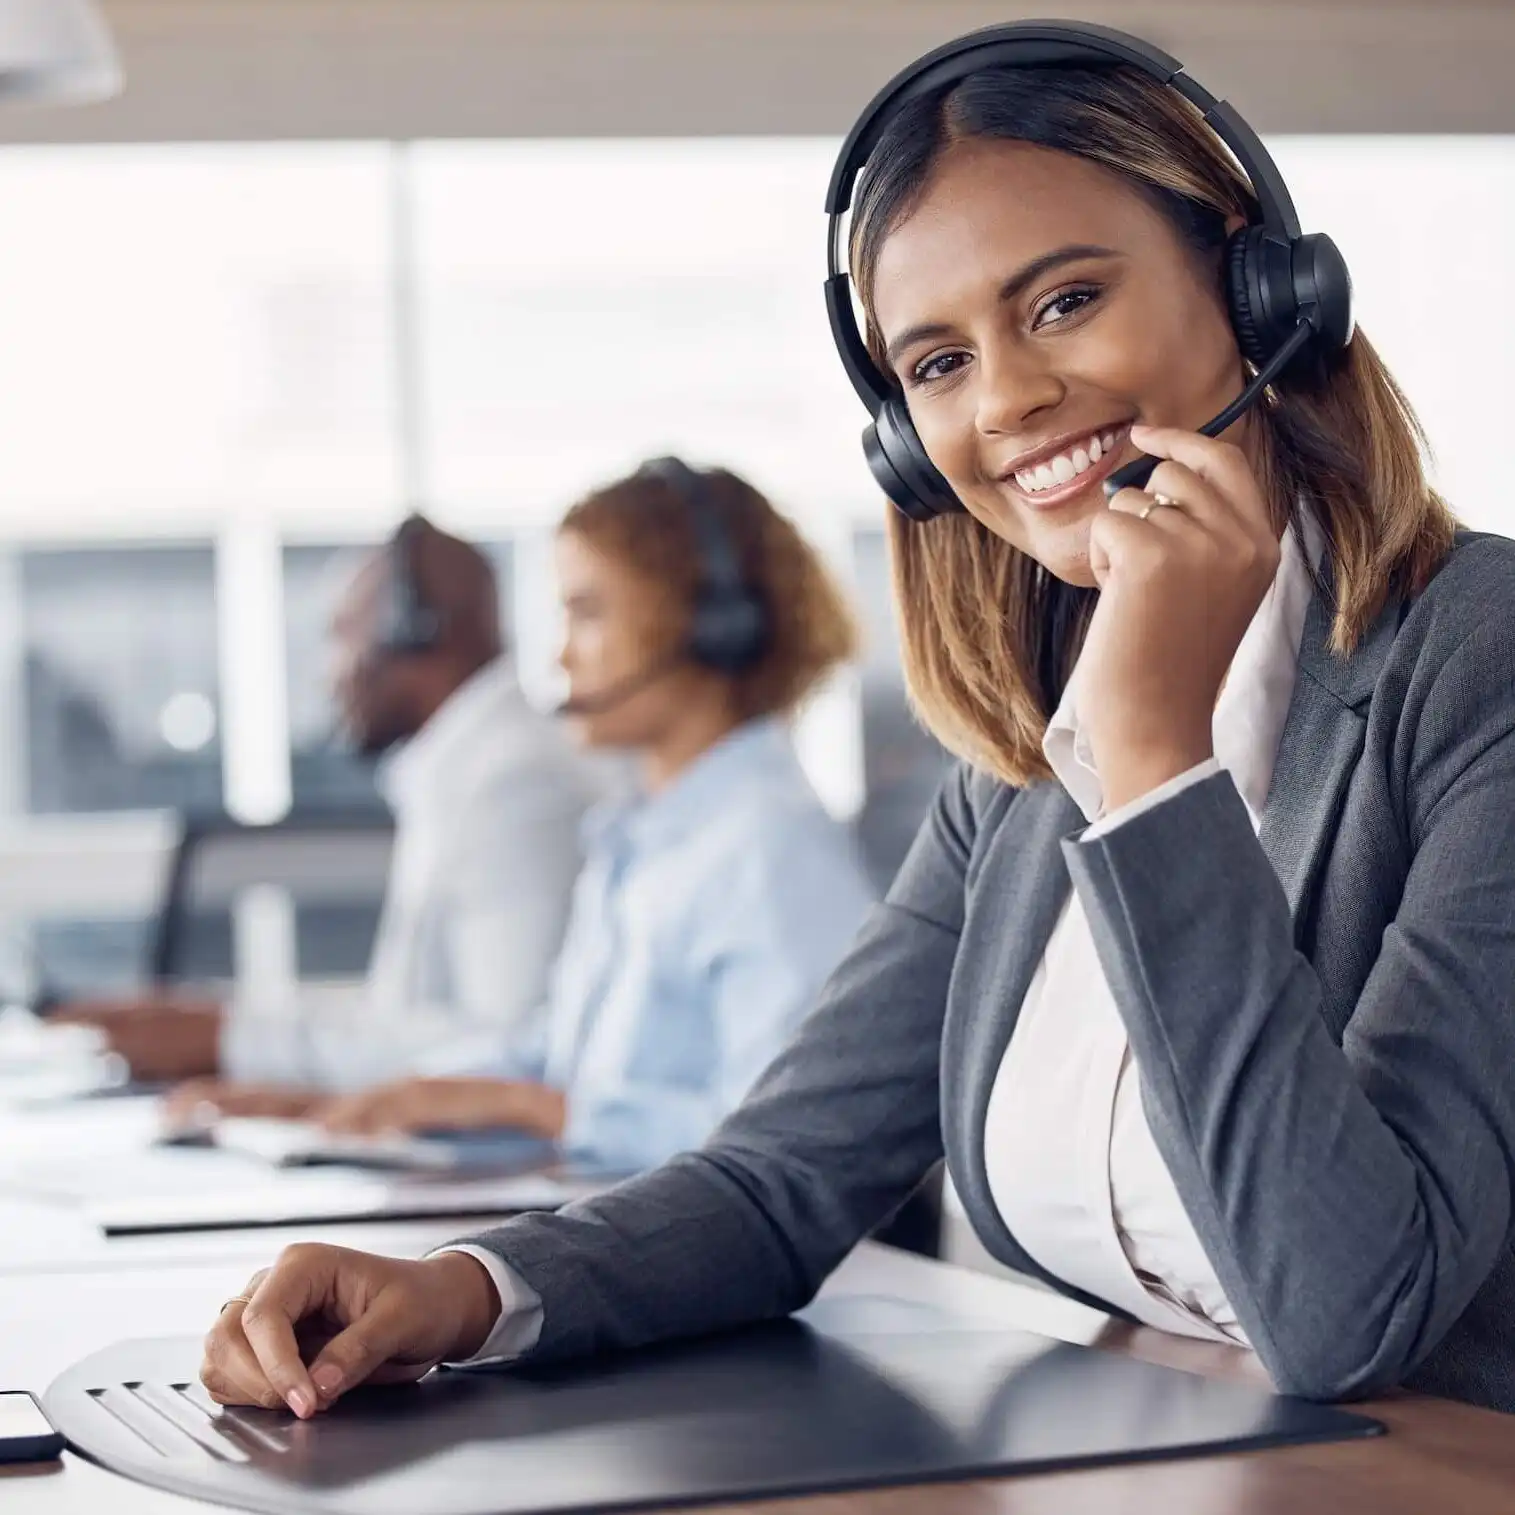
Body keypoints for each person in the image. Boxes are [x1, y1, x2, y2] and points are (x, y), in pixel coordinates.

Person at [200, 24, 1515, 1421]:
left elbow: (1345, 1306)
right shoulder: (1017, 761)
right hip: (1146, 1449)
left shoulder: (1468, 661)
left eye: (1062, 301)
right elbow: (779, 1178)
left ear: (1257, 284)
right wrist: (458, 1286)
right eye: (935, 363)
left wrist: (1150, 764)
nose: (1005, 398)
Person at [189, 459, 874, 1173]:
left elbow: (791, 1137)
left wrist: (541, 1111)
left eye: (587, 612)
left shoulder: (770, 846)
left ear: (710, 623)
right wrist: (350, 1103)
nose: (560, 655)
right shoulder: (641, 836)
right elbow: (550, 1050)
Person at [59, 516, 593, 1097]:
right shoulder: (458, 771)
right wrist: (232, 1031)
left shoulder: (514, 781)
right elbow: (412, 1015)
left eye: (344, 635)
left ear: (413, 630)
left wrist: (234, 1042)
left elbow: (504, 1048)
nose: (329, 674)